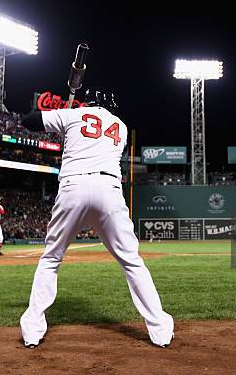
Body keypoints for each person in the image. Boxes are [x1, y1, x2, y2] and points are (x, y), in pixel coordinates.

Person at [19, 96, 173, 349]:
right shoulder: (120, 125)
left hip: (73, 187)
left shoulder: (72, 114)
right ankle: (161, 332)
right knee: (132, 262)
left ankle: (32, 332)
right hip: (109, 189)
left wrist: (59, 112)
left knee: (50, 259)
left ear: (86, 102)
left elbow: (29, 121)